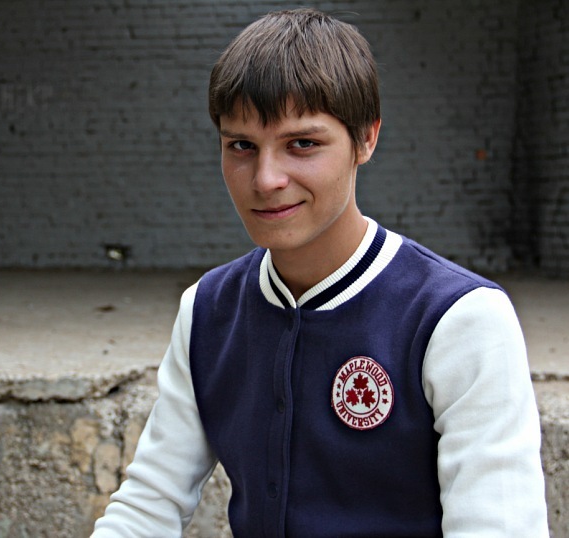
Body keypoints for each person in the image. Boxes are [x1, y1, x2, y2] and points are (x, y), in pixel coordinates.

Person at [92, 8, 549, 537]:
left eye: (302, 144)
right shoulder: (209, 310)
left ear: (366, 139)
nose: (266, 179)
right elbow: (149, 504)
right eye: (241, 146)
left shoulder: (459, 318)